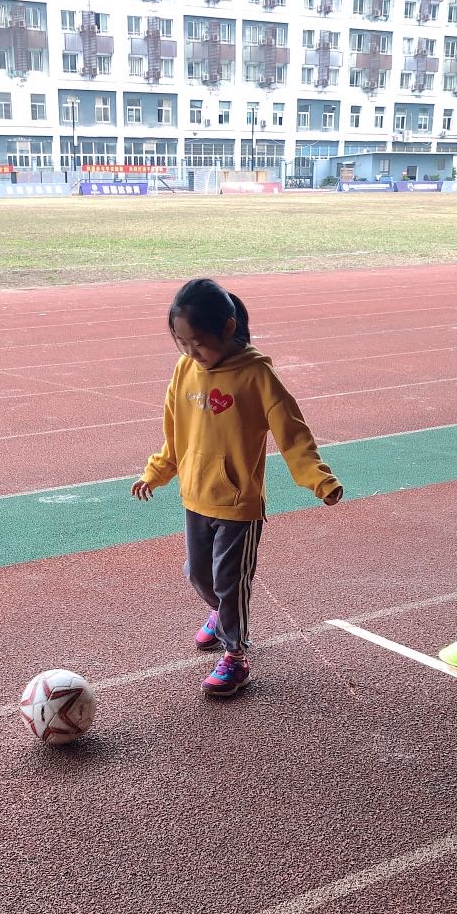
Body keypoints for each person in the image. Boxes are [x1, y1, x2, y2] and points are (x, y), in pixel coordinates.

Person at [132, 277, 343, 698]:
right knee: (198, 575)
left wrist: (318, 478)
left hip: (237, 505)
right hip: (195, 497)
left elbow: (292, 434)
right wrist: (158, 470)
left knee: (230, 584)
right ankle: (220, 613)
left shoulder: (256, 376)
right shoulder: (185, 370)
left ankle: (235, 655)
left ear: (227, 328)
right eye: (181, 343)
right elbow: (175, 432)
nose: (191, 352)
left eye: (198, 343)